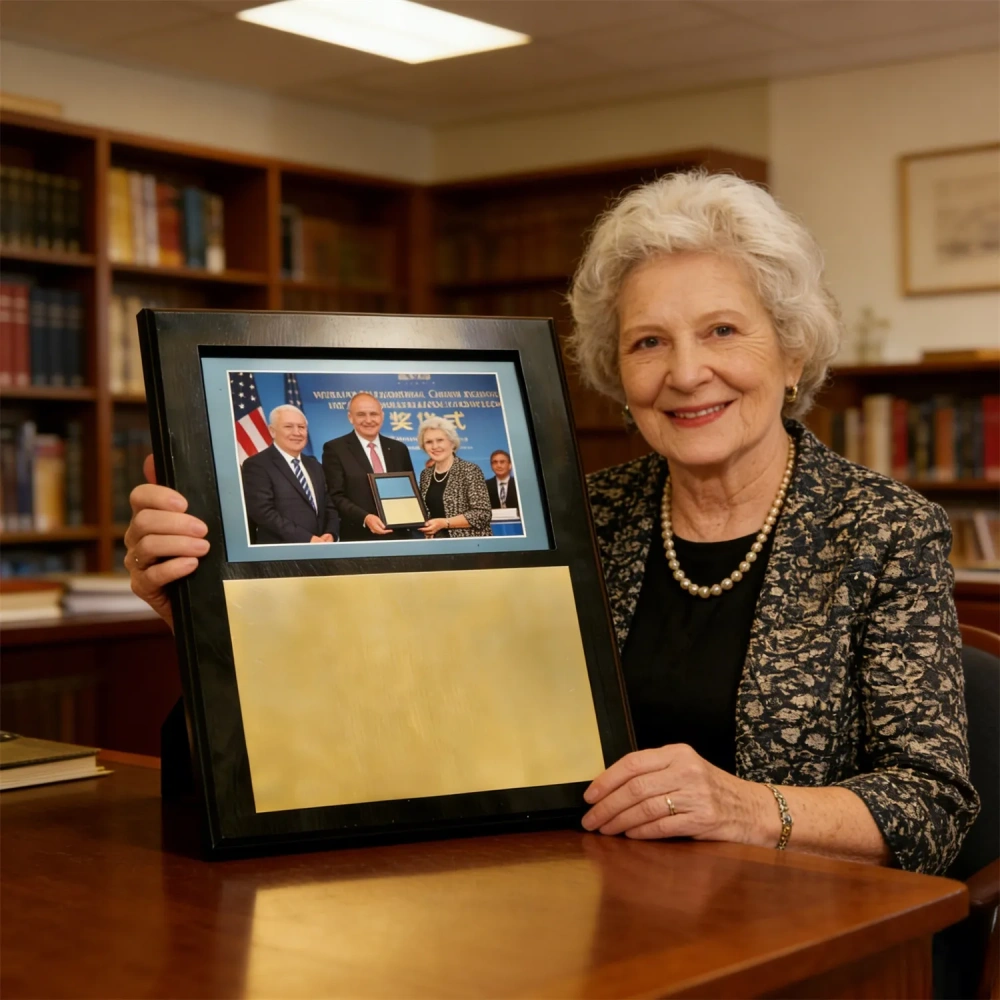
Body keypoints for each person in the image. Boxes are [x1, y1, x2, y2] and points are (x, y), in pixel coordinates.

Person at [123, 171, 976, 875]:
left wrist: (750, 808)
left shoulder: (882, 530)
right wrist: (208, 612)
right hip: (583, 905)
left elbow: (933, 805)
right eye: (648, 343)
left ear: (791, 353)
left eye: (722, 330)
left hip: (802, 926)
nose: (686, 373)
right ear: (616, 371)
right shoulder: (584, 515)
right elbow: (419, 701)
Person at [321, 392, 415, 540]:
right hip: (359, 536)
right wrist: (365, 518)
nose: (369, 420)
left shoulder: (398, 449)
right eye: (361, 414)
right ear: (350, 417)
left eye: (374, 414)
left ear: (382, 416)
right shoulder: (335, 449)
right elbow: (336, 495)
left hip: (400, 536)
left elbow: (409, 490)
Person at [240, 404, 338, 544]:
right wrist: (307, 539)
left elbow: (329, 506)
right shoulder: (257, 465)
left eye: (301, 427)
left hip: (321, 550)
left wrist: (331, 533)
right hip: (281, 554)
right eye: (288, 427)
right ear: (272, 431)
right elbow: (262, 512)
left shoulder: (314, 465)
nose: (297, 433)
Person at [415, 416, 492, 539]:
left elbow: (482, 514)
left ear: (452, 443)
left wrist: (445, 523)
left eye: (440, 440)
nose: (435, 446)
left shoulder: (470, 470)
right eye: (429, 442)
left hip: (469, 545)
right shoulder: (426, 475)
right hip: (436, 545)